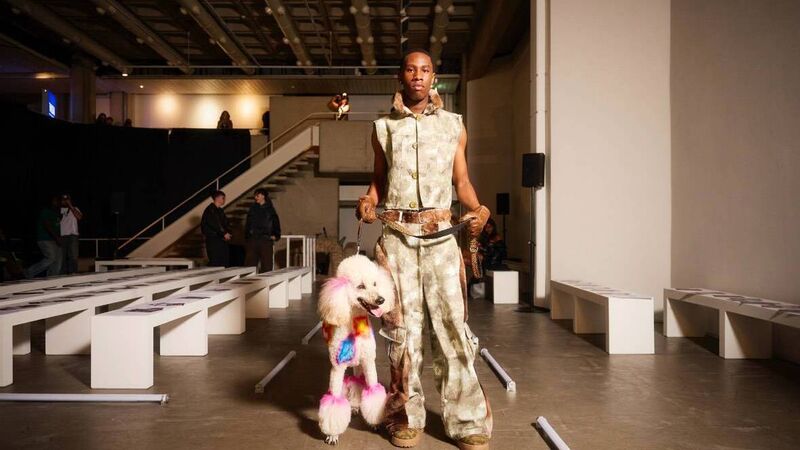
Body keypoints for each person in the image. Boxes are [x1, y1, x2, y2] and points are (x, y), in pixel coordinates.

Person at [356, 49, 492, 449]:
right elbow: (379, 180)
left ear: (434, 77)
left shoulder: (454, 126)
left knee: (453, 328)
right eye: (411, 69)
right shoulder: (383, 128)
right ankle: (405, 415)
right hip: (396, 240)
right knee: (402, 330)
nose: (418, 75)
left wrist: (479, 209)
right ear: (401, 76)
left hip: (441, 241)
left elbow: (462, 181)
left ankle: (467, 420)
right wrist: (368, 201)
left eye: (425, 70)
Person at [25, 195, 63, 278]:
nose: (57, 202)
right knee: (51, 258)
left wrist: (59, 238)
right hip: (45, 239)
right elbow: (47, 226)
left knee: (58, 262)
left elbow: (57, 227)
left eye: (58, 201)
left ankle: (51, 279)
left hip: (55, 240)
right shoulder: (45, 211)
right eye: (55, 201)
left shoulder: (57, 213)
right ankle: (29, 272)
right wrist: (57, 238)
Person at [244, 188, 281, 273]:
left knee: (266, 264)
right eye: (255, 196)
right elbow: (248, 223)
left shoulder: (270, 209)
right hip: (253, 239)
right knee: (250, 264)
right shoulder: (252, 209)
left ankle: (265, 281)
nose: (255, 197)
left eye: (257, 195)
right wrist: (248, 236)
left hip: (265, 239)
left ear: (263, 196)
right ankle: (249, 280)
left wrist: (276, 235)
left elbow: (275, 223)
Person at [201, 190, 232, 267]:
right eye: (223, 198)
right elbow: (214, 224)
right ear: (217, 198)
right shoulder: (210, 210)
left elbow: (225, 223)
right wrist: (224, 233)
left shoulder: (220, 210)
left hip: (221, 239)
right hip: (213, 240)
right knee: (215, 262)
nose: (224, 200)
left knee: (224, 262)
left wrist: (228, 232)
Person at [59, 194, 83, 274]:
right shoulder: (59, 209)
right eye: (63, 199)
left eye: (67, 199)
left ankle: (73, 274)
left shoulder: (75, 208)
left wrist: (70, 206)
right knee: (62, 257)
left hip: (73, 235)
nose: (65, 201)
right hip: (62, 236)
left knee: (73, 256)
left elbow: (79, 217)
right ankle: (63, 275)